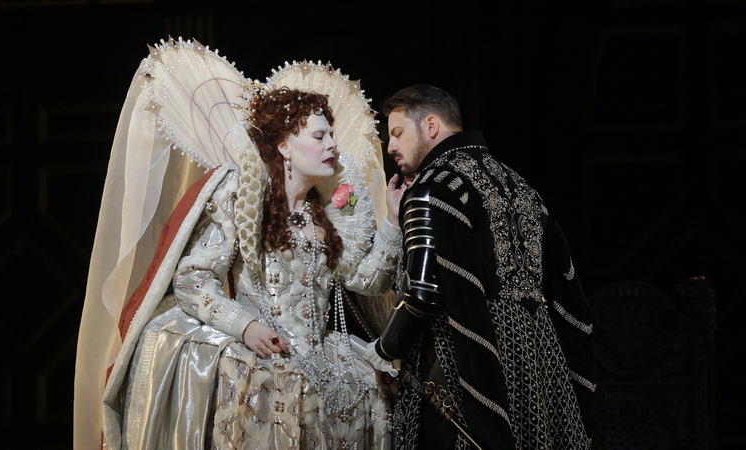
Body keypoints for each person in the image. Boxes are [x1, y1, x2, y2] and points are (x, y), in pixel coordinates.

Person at [74, 38, 403, 450]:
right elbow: (193, 280)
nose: (333, 145)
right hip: (262, 365)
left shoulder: (334, 209)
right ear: (284, 145)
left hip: (327, 364)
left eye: (332, 135)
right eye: (319, 136)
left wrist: (391, 220)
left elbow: (367, 281)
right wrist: (244, 326)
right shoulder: (241, 193)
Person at [375, 85, 595, 450]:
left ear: (431, 126)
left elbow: (422, 295)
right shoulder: (520, 185)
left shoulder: (430, 188)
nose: (390, 147)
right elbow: (569, 294)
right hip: (538, 373)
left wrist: (383, 350)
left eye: (397, 133)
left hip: (466, 370)